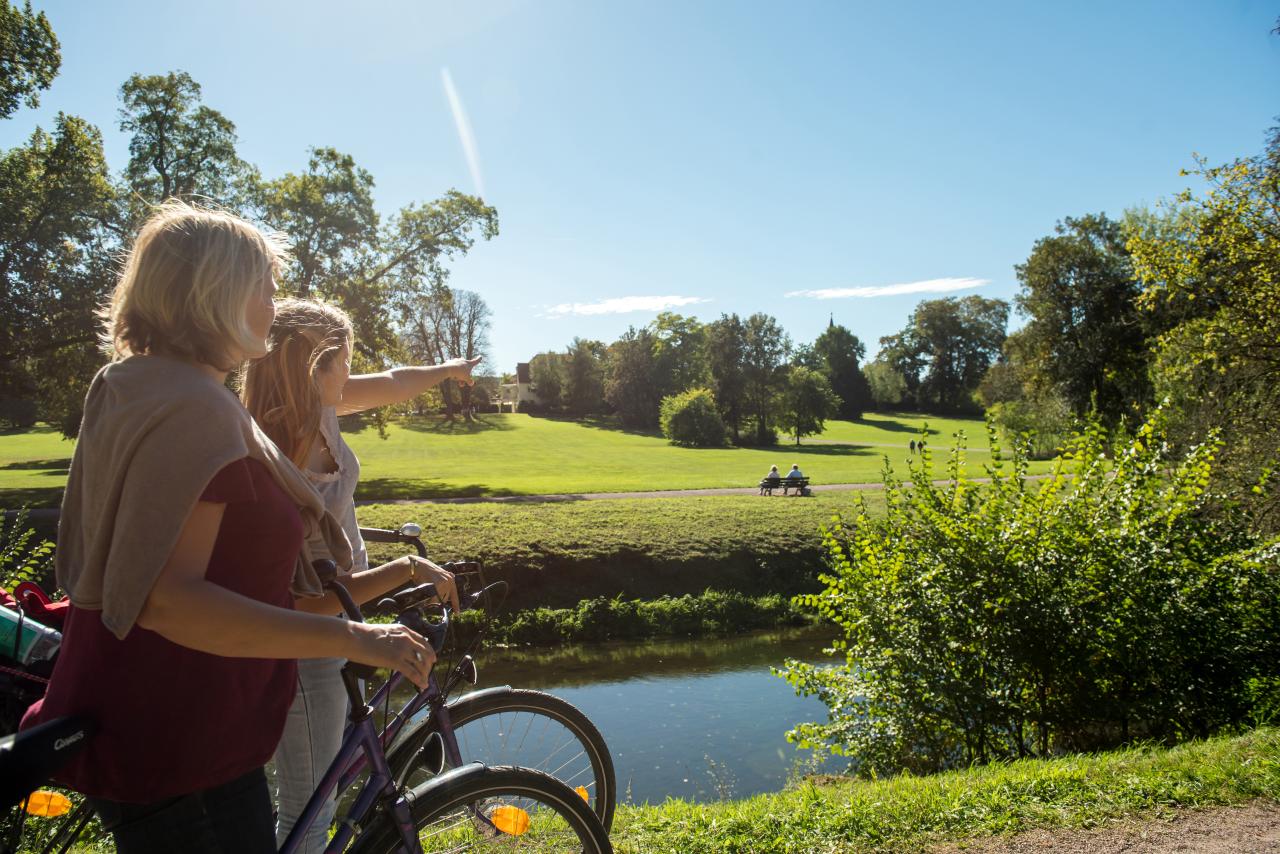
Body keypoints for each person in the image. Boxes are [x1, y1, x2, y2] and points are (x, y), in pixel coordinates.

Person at [22, 202, 434, 854]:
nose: (274, 305)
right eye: (263, 288)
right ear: (216, 296)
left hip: (136, 711)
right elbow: (171, 600)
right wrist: (357, 637)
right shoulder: (197, 409)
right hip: (177, 729)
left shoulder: (129, 385)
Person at [241, 298, 478, 851]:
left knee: (322, 790)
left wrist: (447, 370)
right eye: (345, 359)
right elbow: (302, 597)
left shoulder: (319, 408)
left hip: (338, 625)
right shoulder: (277, 448)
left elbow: (395, 381)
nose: (353, 371)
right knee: (307, 811)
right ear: (314, 366)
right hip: (307, 644)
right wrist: (405, 567)